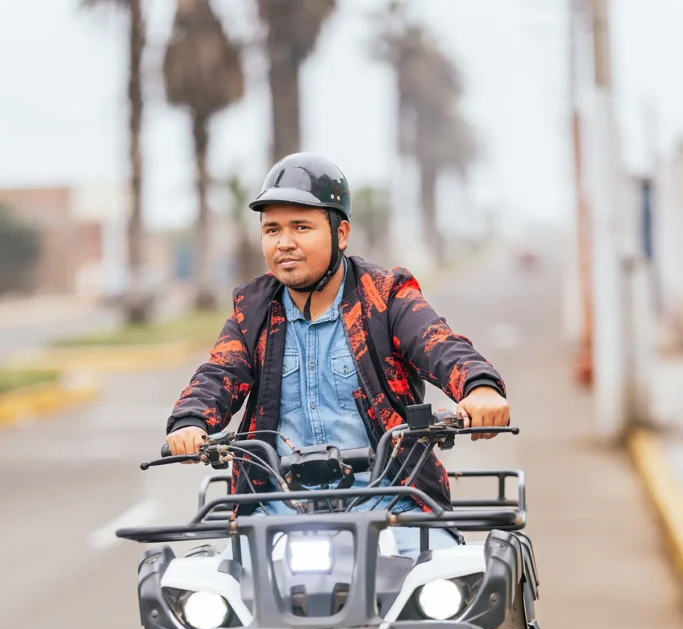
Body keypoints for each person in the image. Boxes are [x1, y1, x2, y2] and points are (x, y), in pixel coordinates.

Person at [166, 153, 509, 553]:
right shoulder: (253, 309)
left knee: (447, 589)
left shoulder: (385, 296)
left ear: (340, 233)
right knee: (210, 601)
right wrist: (190, 422)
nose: (285, 243)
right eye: (272, 229)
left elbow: (436, 342)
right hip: (274, 513)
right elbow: (218, 373)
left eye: (302, 227)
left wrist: (479, 386)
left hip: (394, 507)